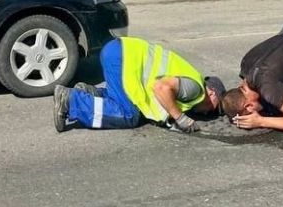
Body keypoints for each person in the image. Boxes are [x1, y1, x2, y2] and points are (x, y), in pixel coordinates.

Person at [53, 36, 226, 134]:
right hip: (123, 58)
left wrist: (171, 117)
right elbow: (161, 88)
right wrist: (181, 118)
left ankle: (91, 95)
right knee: (130, 115)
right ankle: (71, 100)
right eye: (212, 108)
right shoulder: (196, 90)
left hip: (119, 51)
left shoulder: (191, 84)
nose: (207, 113)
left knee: (128, 103)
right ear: (211, 93)